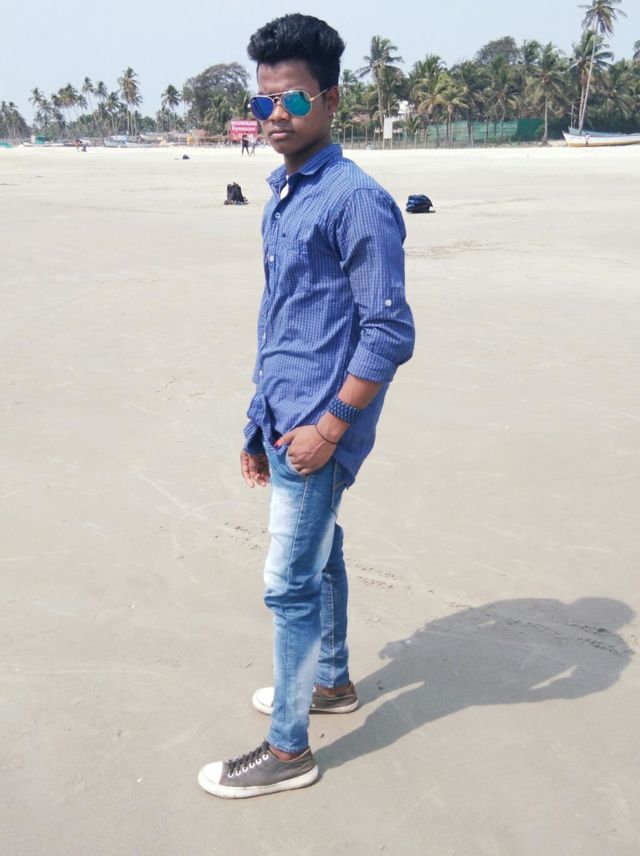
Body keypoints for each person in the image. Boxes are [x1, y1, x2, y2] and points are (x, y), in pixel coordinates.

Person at [198, 13, 415, 799]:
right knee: (323, 555)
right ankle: (331, 682)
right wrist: (255, 422)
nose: (275, 116)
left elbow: (388, 332)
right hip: (284, 417)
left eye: (291, 100)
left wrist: (330, 427)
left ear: (330, 100)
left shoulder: (356, 200)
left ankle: (289, 751)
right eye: (263, 103)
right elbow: (283, 322)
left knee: (289, 583)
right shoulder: (284, 195)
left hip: (318, 428)